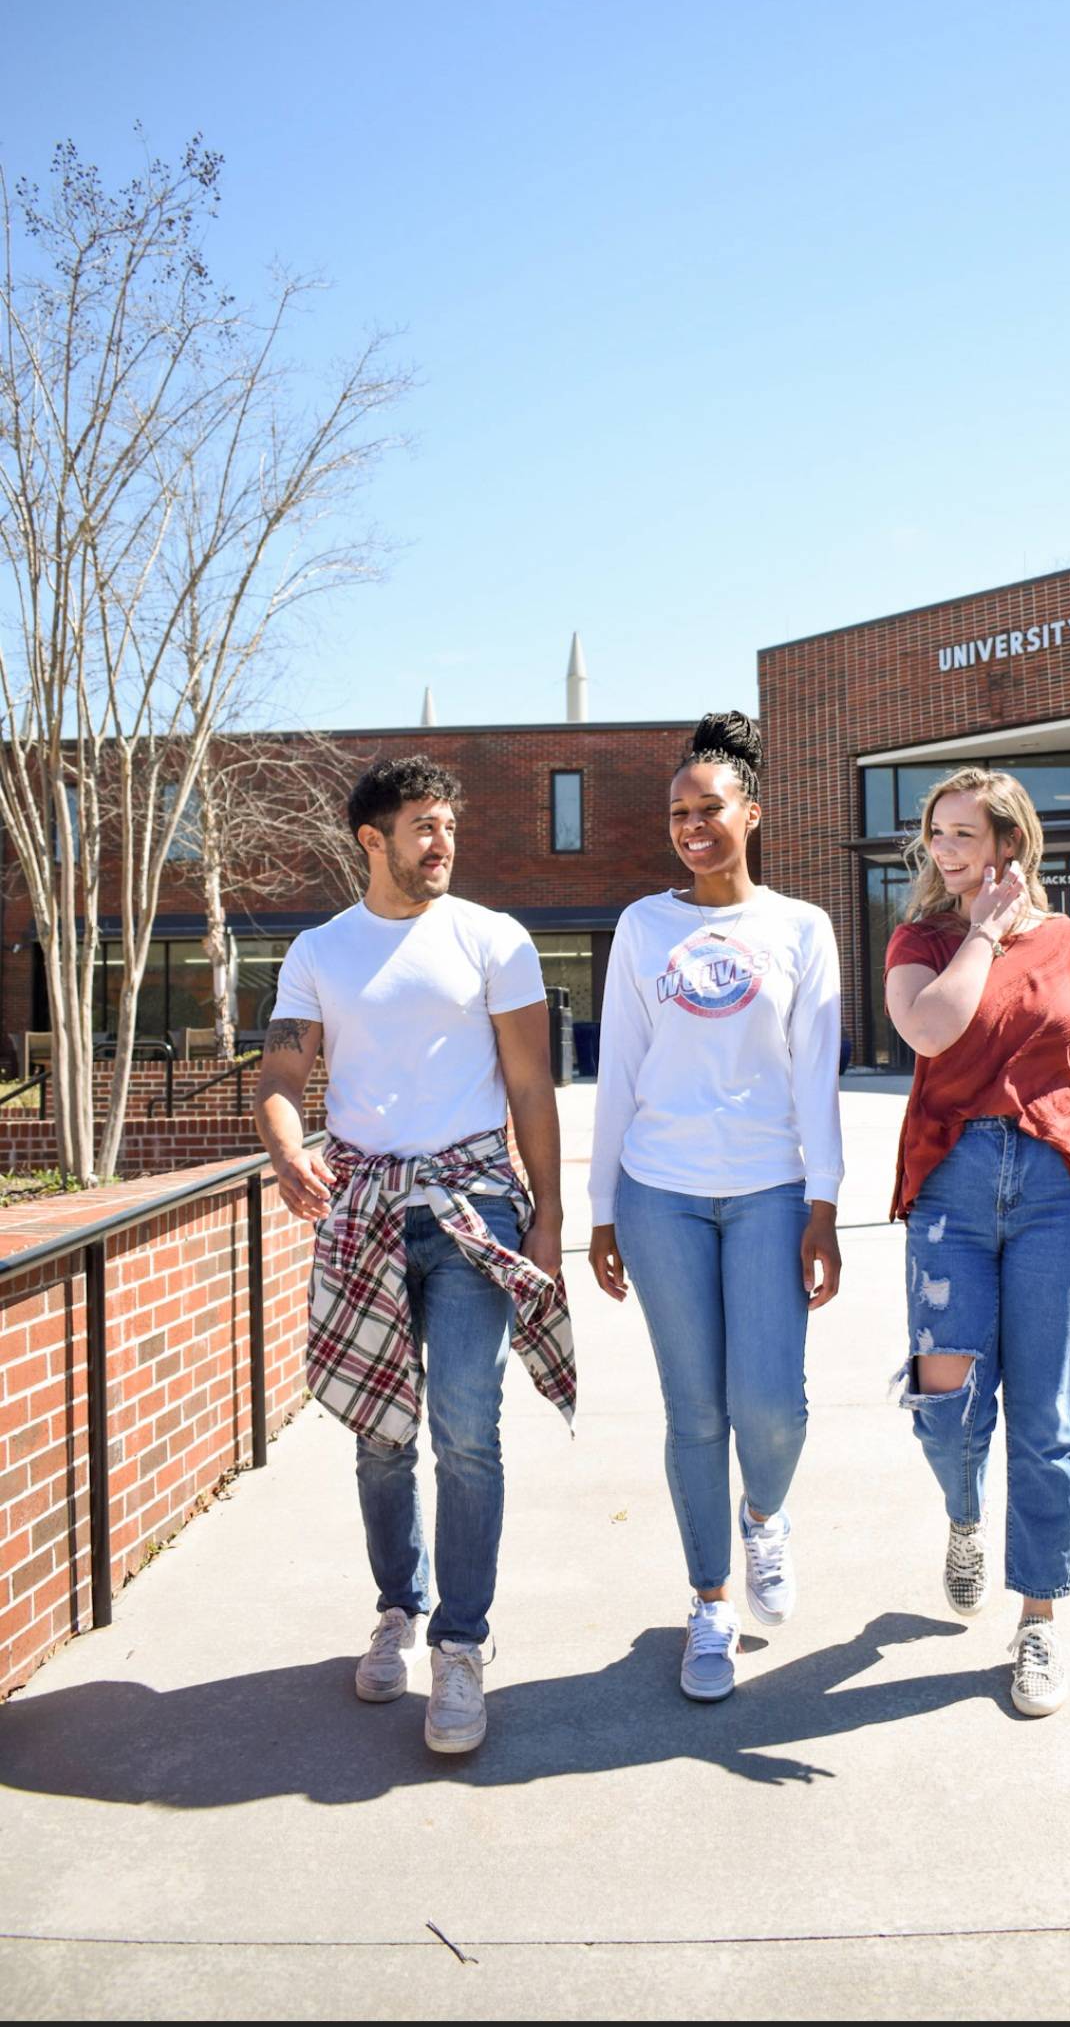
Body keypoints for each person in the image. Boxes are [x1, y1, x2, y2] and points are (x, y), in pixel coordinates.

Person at [253, 754, 574, 1757]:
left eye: (449, 825)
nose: (441, 843)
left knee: (467, 1427)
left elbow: (530, 1088)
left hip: (474, 1202)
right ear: (373, 840)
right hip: (362, 1211)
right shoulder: (320, 950)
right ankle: (398, 1605)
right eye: (423, 826)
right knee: (381, 1437)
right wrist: (283, 1142)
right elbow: (282, 1066)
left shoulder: (495, 939)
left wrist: (551, 1217)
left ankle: (462, 1644)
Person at [884, 765, 1070, 1718]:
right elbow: (931, 1030)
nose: (943, 849)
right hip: (953, 1190)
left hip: (1058, 1186)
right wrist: (981, 927)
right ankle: (965, 1516)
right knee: (948, 1403)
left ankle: (1039, 1623)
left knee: (1050, 1420)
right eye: (936, 833)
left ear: (1009, 845)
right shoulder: (924, 940)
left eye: (964, 834)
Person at [588, 712, 844, 1702]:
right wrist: (603, 1209)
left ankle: (766, 1516)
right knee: (694, 1411)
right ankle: (709, 1604)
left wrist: (824, 1201)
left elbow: (817, 1074)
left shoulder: (801, 929)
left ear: (753, 813)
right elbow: (618, 1070)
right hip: (662, 1194)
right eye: (678, 813)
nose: (693, 826)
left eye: (711, 809)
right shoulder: (644, 927)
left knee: (770, 1408)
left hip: (772, 1191)